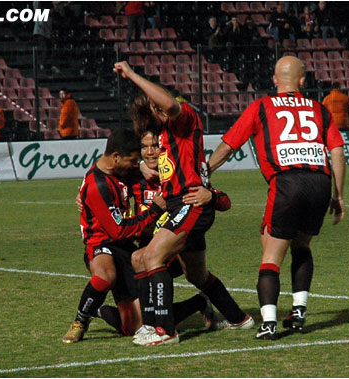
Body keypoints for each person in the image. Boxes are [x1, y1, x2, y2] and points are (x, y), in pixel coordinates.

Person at [114, 60, 254, 346]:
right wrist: (141, 166)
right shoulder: (165, 137)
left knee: (151, 257)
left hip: (190, 204)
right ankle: (239, 318)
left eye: (159, 105)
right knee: (193, 273)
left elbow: (169, 103)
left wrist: (131, 74)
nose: (157, 108)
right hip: (182, 206)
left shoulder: (185, 119)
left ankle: (165, 330)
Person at [207, 56, 346, 340]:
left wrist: (204, 171)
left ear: (274, 80)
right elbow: (338, 153)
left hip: (286, 182)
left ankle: (268, 323)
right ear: (303, 81)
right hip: (320, 182)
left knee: (271, 253)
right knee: (302, 246)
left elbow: (229, 145)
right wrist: (339, 195)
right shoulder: (320, 110)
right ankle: (298, 310)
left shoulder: (261, 107)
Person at [72, 129, 221, 339]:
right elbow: (115, 223)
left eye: (155, 147)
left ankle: (189, 309)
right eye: (144, 149)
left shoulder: (174, 174)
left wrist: (211, 196)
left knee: (189, 276)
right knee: (133, 325)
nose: (149, 153)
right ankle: (92, 314)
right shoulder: (131, 176)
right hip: (137, 249)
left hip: (169, 246)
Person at [62, 128, 167, 343]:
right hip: (100, 242)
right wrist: (155, 211)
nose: (135, 164)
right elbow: (118, 230)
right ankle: (80, 321)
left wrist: (141, 167)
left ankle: (198, 304)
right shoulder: (98, 185)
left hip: (124, 245)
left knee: (133, 327)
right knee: (105, 276)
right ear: (116, 157)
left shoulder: (119, 171)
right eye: (133, 160)